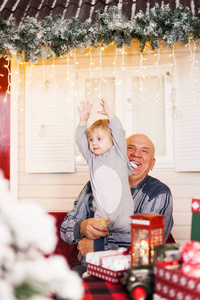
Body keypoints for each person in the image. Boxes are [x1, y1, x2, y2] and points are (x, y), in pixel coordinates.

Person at [61, 133, 174, 277]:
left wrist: (98, 246)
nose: (136, 154)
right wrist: (81, 227)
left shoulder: (158, 193)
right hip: (89, 269)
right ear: (118, 154)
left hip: (131, 273)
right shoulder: (94, 185)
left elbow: (148, 242)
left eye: (144, 151)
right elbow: (65, 229)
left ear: (152, 164)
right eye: (130, 148)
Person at [76, 98, 135, 233]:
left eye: (99, 139)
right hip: (101, 217)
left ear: (112, 140)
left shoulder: (118, 152)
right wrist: (83, 121)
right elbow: (80, 140)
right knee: (101, 246)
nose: (94, 143)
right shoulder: (92, 158)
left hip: (124, 216)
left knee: (122, 247)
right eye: (91, 140)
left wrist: (110, 115)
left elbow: (119, 132)